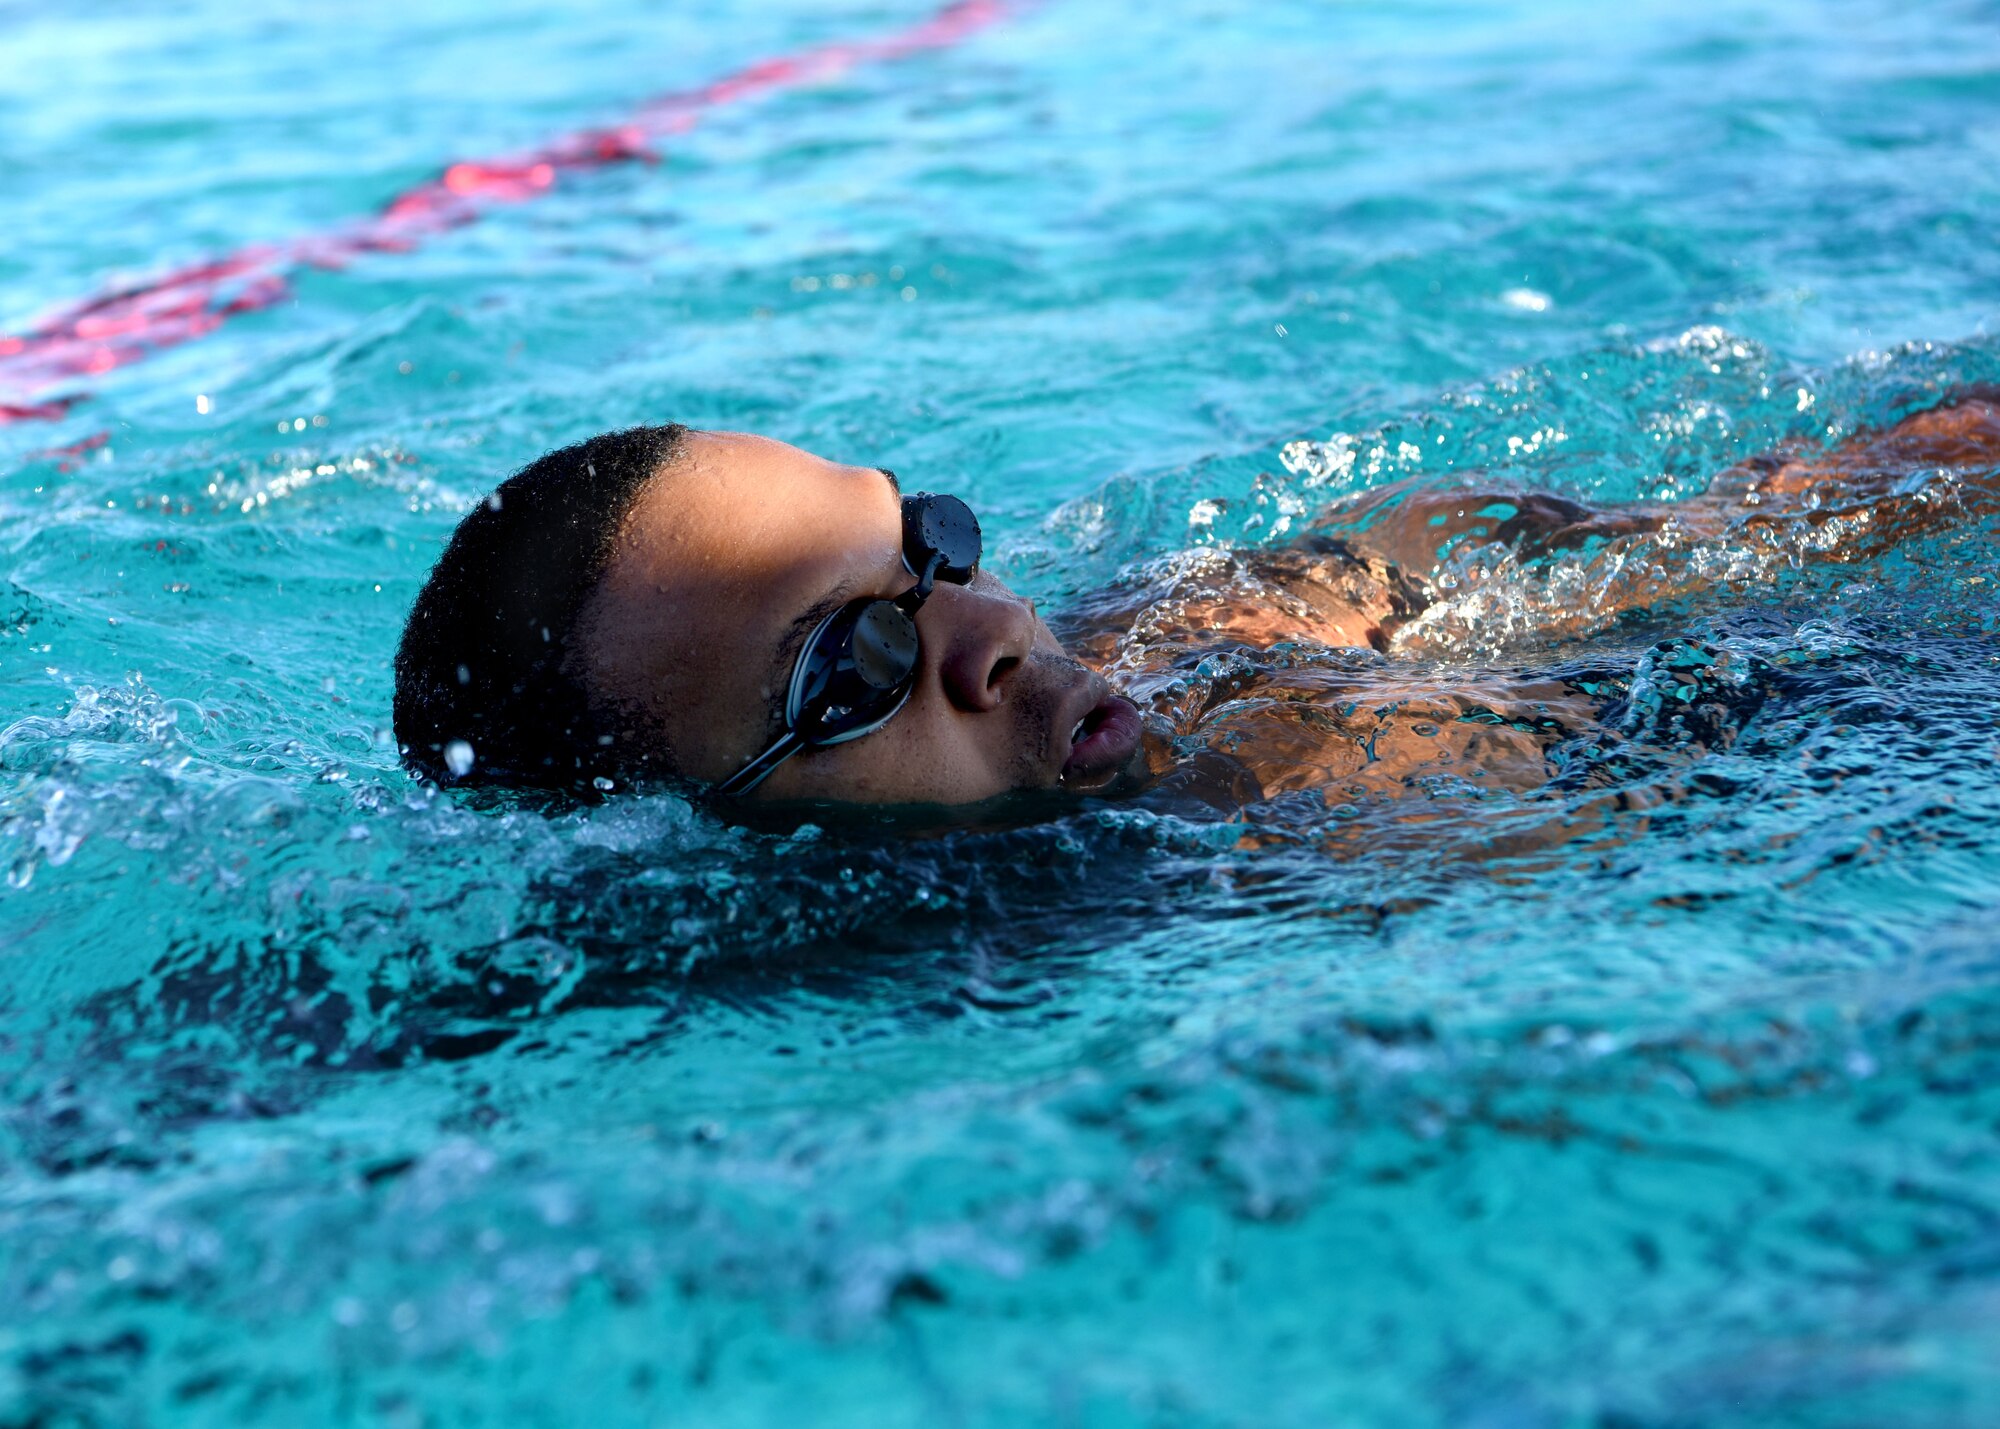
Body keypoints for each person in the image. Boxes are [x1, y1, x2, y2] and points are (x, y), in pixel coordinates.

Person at [392, 393, 2000, 816]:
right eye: (854, 661)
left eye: (928, 550)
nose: (983, 632)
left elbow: (1720, 528)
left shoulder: (1200, 634)